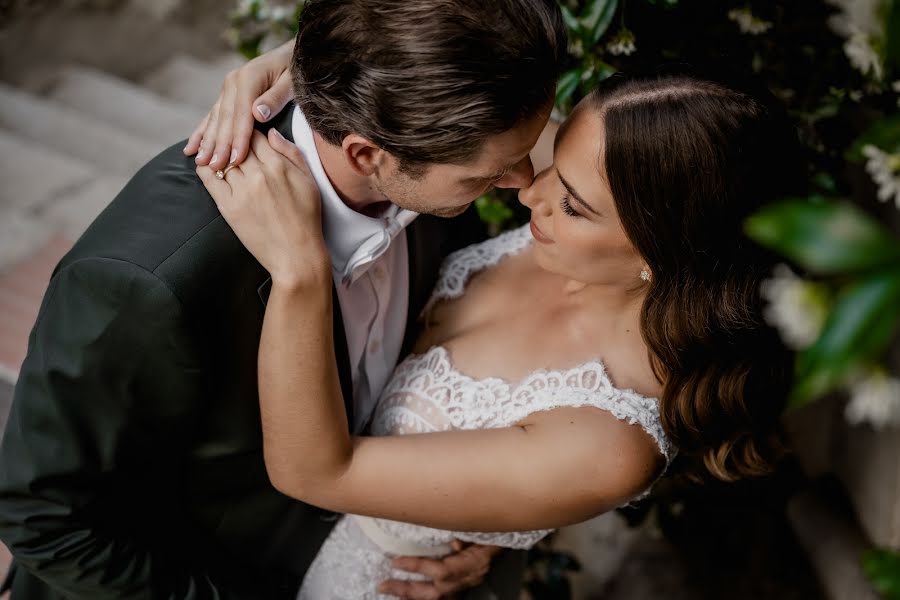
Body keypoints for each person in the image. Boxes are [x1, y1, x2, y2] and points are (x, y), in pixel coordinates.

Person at [0, 1, 568, 598]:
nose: (524, 184)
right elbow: (45, 518)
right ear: (365, 155)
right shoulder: (148, 281)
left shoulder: (428, 141)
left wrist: (479, 524)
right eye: (487, 174)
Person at [195, 57, 798, 599]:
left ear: (661, 256)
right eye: (554, 161)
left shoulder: (605, 445)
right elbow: (440, 67)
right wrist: (299, 65)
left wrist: (300, 271)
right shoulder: (600, 173)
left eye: (573, 206)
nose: (529, 190)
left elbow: (315, 471)